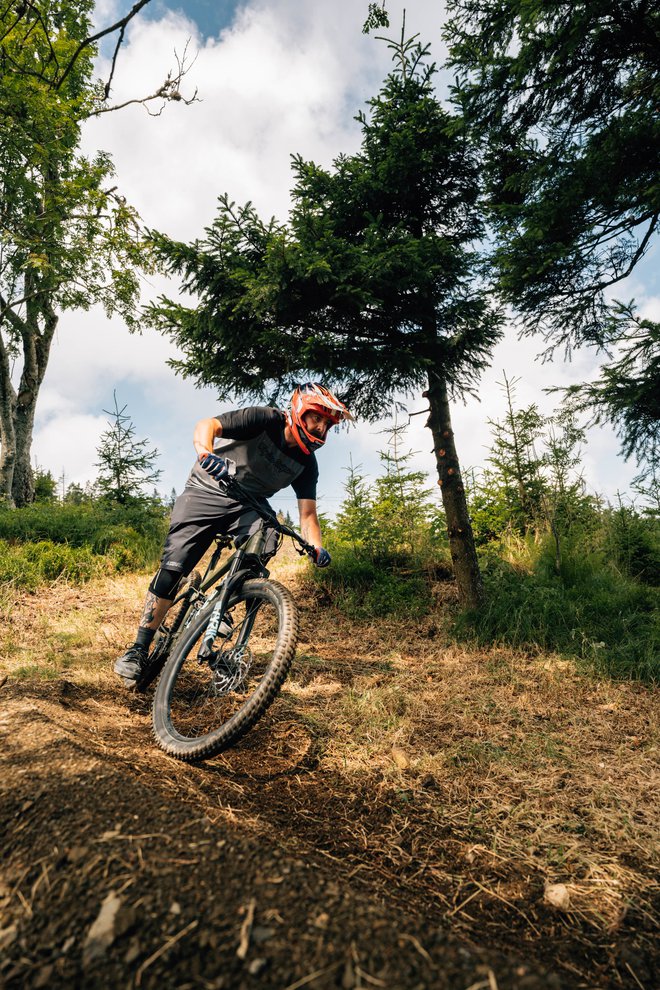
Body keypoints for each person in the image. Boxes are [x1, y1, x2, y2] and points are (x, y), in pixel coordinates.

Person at [114, 383, 352, 686]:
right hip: (207, 488)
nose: (320, 428)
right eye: (316, 418)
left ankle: (221, 605)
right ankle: (138, 649)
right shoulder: (265, 419)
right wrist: (205, 453)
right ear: (299, 411)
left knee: (266, 537)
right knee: (174, 568)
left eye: (327, 424)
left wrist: (317, 547)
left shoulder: (306, 464)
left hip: (248, 503)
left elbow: (307, 514)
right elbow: (208, 425)